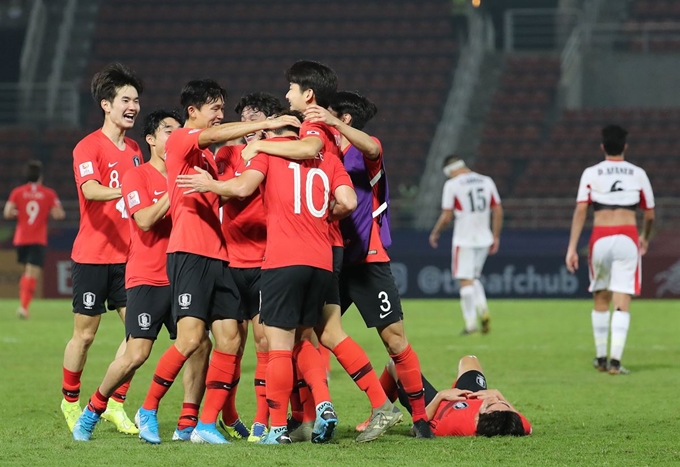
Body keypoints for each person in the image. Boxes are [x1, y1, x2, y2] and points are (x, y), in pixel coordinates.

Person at [243, 63, 406, 442]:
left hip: (302, 248)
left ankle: (283, 424)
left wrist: (260, 144)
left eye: (291, 89)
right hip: (324, 247)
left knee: (290, 340)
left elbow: (308, 149)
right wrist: (328, 211)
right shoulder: (324, 144)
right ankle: (328, 412)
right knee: (321, 333)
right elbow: (346, 197)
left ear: (308, 95)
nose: (287, 95)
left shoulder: (311, 128)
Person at [134, 79, 300, 445]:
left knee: (229, 340)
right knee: (191, 339)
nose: (220, 115)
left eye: (222, 109)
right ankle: (148, 408)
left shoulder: (210, 159)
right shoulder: (181, 140)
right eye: (214, 108)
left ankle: (202, 425)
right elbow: (217, 137)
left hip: (219, 257)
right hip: (189, 253)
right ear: (193, 111)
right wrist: (261, 125)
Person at [177, 109, 356, 445]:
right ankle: (322, 406)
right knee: (303, 339)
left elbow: (242, 188)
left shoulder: (266, 155)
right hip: (318, 259)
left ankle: (271, 427)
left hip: (276, 262)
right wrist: (323, 218)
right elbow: (348, 201)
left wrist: (210, 184)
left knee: (273, 346)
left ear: (274, 132)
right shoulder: (327, 160)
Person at [70, 110, 212, 441]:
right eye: (167, 132)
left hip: (182, 275)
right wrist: (174, 193)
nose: (174, 138)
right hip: (147, 276)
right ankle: (94, 408)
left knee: (200, 344)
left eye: (179, 132)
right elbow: (146, 219)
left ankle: (187, 422)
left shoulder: (192, 173)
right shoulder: (138, 176)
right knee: (137, 353)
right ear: (151, 139)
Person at [303, 90, 434, 439]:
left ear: (342, 119)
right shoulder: (324, 153)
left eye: (328, 115)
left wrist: (330, 121)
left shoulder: (364, 151)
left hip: (367, 259)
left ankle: (420, 419)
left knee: (394, 340)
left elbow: (375, 148)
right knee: (315, 334)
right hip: (332, 256)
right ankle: (312, 414)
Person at [61, 62, 144, 435]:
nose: (134, 106)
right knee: (86, 335)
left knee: (138, 337)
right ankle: (70, 399)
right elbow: (91, 191)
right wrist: (127, 191)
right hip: (93, 256)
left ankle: (113, 402)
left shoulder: (136, 150)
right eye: (126, 99)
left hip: (129, 258)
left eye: (137, 100)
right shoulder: (87, 147)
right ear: (106, 105)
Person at [214, 91, 285, 443]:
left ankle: (262, 420)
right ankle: (227, 415)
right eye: (243, 116)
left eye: (254, 115)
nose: (247, 122)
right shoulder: (226, 153)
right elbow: (220, 196)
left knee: (263, 341)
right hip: (228, 260)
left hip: (264, 260)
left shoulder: (274, 154)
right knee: (230, 344)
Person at [566, 125, 655, 375]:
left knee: (600, 296)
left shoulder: (591, 173)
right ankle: (616, 361)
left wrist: (572, 247)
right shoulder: (638, 173)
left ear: (603, 146)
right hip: (628, 237)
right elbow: (650, 214)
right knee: (622, 298)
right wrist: (645, 238)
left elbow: (581, 210)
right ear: (625, 146)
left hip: (601, 238)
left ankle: (601, 357)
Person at [429, 156, 503, 335]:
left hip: (464, 238)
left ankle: (471, 324)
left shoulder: (453, 185)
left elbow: (446, 216)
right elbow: (498, 210)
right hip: (485, 238)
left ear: (450, 171)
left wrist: (435, 232)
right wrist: (496, 235)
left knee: (465, 281)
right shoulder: (487, 181)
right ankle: (483, 311)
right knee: (473, 278)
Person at [380, 355, 531, 437]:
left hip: (436, 406)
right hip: (470, 396)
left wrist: (441, 395)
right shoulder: (513, 423)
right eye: (504, 404)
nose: (493, 399)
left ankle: (376, 413)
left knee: (395, 364)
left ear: (480, 418)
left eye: (490, 404)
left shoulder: (455, 424)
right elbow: (527, 427)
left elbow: (418, 427)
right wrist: (499, 394)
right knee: (470, 359)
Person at [3, 160, 65, 319]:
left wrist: (20, 213)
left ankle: (23, 305)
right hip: (37, 239)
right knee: (32, 274)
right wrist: (46, 213)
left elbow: (8, 212)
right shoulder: (48, 193)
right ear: (41, 177)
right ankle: (23, 307)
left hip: (21, 238)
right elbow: (59, 214)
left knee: (26, 273)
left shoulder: (18, 191)